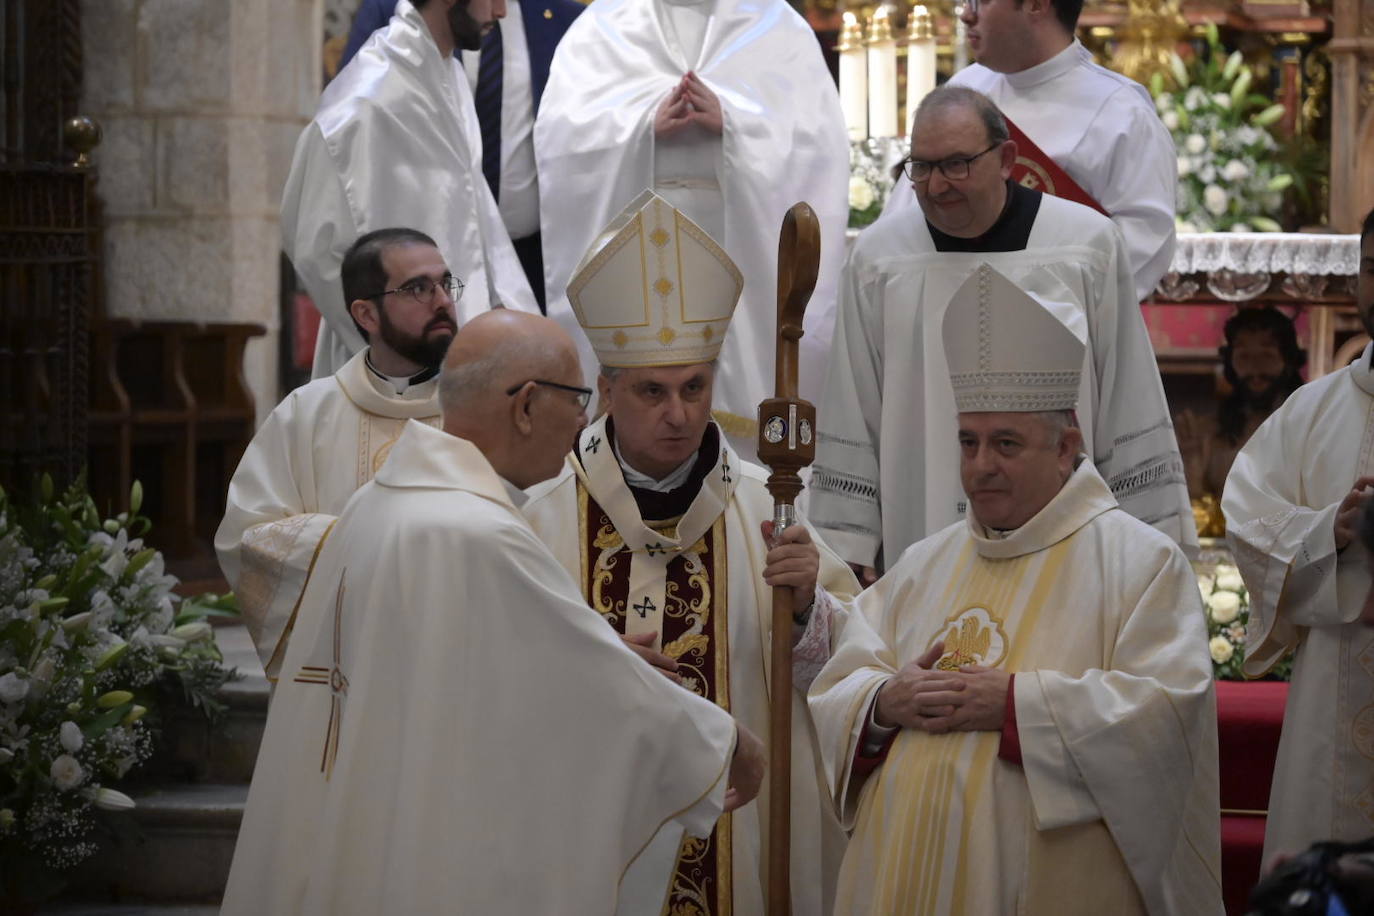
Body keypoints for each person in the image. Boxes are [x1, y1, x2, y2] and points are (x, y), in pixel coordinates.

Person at [220, 309, 767, 915]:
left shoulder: (379, 504)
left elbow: (479, 678)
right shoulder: (478, 534)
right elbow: (600, 698)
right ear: (527, 406)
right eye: (579, 398)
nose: (587, 420)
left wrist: (597, 657)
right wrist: (727, 743)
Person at [809, 264, 1222, 915]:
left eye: (1006, 443)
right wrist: (887, 700)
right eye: (968, 442)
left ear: (1067, 448)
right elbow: (843, 679)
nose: (980, 467)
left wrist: (1016, 705)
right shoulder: (924, 564)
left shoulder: (1141, 565)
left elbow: (1166, 718)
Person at [521, 190, 859, 916]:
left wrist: (806, 613)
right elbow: (493, 676)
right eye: (651, 391)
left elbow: (853, 676)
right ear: (607, 390)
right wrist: (585, 667)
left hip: (739, 849)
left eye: (694, 387)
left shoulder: (767, 516)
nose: (678, 414)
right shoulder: (539, 523)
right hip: (588, 835)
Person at [811, 87, 1191, 582]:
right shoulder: (880, 259)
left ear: (1007, 158)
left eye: (956, 164)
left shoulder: (1085, 245)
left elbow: (1126, 388)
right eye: (921, 168)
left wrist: (1145, 537)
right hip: (919, 540)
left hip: (1067, 547)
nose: (936, 185)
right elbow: (852, 400)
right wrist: (847, 540)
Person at [533, 0, 848, 459]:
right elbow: (561, 143)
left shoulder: (777, 25)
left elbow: (820, 145)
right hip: (636, 240)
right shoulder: (601, 27)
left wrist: (735, 127)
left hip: (736, 242)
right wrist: (641, 128)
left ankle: (753, 491)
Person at [215, 228, 455, 679]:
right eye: (419, 288)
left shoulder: (483, 409)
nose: (442, 300)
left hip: (455, 667)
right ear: (366, 313)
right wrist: (366, 545)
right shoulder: (306, 415)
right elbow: (247, 538)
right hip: (340, 677)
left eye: (445, 283)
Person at [1221, 207, 1374, 864]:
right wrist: (1327, 533)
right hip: (1338, 677)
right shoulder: (1315, 410)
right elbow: (1247, 514)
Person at [283, 0, 537, 379]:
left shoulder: (446, 75)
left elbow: (475, 219)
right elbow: (315, 247)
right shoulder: (367, 100)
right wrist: (397, 355)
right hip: (392, 367)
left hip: (461, 354)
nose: (500, 12)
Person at [882, 0, 1176, 303]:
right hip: (947, 311)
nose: (967, 15)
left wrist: (1043, 312)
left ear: (1036, 5)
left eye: (981, 2)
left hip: (1062, 328)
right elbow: (903, 219)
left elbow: (1144, 244)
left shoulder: (1120, 111)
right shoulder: (963, 91)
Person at [339, 0, 584, 310]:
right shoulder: (389, 16)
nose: (501, 10)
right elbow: (355, 136)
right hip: (426, 260)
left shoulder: (566, 18)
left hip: (534, 257)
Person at [1176, 306, 1306, 503]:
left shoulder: (1307, 428)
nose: (1254, 368)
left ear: (1288, 360)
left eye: (1266, 355)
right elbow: (1195, 509)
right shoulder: (1209, 432)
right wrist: (1190, 462)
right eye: (1243, 356)